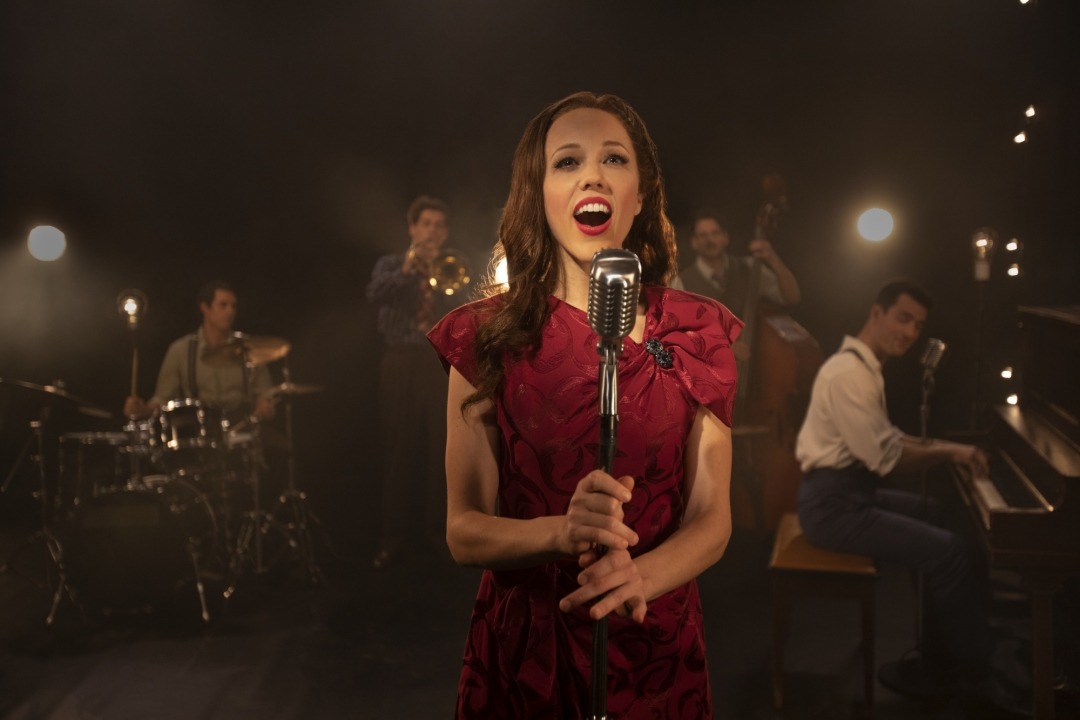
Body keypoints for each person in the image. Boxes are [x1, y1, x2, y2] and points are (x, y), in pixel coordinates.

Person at [427, 92, 741, 718]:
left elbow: (713, 517)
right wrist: (561, 533)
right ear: (537, 193)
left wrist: (641, 578)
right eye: (567, 162)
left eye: (614, 159)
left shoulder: (697, 331)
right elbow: (462, 530)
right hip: (529, 651)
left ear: (641, 193)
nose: (592, 175)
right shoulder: (485, 337)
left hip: (654, 644)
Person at [795, 279, 1025, 716]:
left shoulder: (864, 368)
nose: (909, 332)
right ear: (876, 313)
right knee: (952, 553)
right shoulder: (849, 374)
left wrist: (948, 448)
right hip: (831, 507)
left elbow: (889, 438)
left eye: (917, 325)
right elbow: (887, 459)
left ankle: (944, 654)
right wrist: (950, 452)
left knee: (940, 514)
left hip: (848, 494)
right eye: (903, 319)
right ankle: (977, 672)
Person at [365, 195, 460, 570]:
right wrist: (407, 268)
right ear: (412, 228)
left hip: (437, 365)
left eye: (439, 225)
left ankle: (438, 536)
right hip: (400, 361)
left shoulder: (451, 267)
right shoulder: (390, 264)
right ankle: (393, 539)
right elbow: (374, 294)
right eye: (426, 224)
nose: (432, 231)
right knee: (398, 450)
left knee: (442, 452)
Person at [124, 280, 275, 425]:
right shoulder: (180, 350)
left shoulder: (249, 347)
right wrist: (143, 410)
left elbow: (265, 392)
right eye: (223, 305)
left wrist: (265, 404)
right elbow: (163, 398)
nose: (230, 311)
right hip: (199, 431)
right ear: (205, 308)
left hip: (242, 428)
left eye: (233, 306)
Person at [671, 209, 800, 362]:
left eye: (715, 233)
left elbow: (792, 297)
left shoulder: (750, 268)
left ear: (725, 238)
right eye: (703, 236)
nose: (710, 240)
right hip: (709, 375)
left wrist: (773, 259)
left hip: (755, 366)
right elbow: (677, 335)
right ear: (694, 242)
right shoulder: (681, 282)